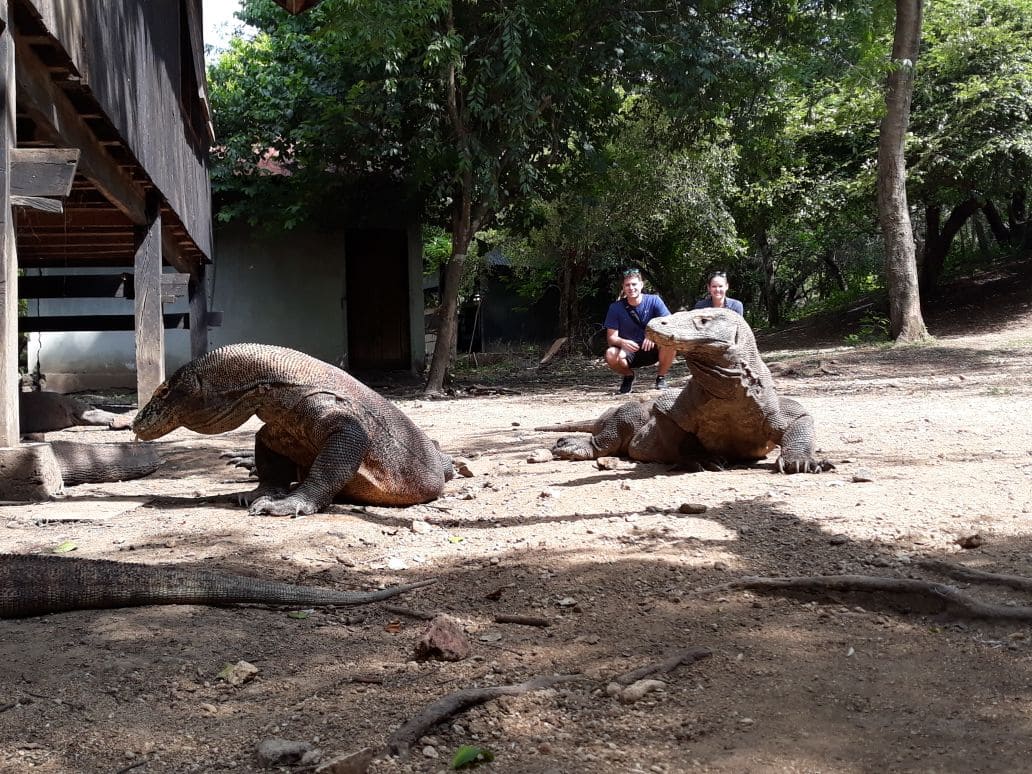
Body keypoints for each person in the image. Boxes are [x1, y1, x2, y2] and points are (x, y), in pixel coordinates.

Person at [603, 268, 675, 394]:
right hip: (629, 351)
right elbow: (611, 338)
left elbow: (669, 323)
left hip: (652, 348)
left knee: (670, 344)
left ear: (641, 285)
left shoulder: (654, 300)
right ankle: (628, 376)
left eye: (634, 284)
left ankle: (661, 377)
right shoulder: (615, 308)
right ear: (623, 287)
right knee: (610, 354)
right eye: (627, 285)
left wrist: (652, 336)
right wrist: (623, 342)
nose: (631, 288)